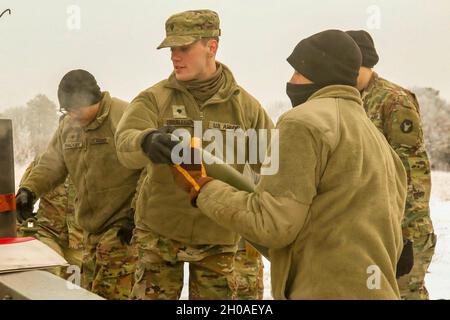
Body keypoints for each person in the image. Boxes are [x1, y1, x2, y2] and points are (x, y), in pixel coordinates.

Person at [171, 29, 408, 299]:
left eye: (297, 72)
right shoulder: (378, 140)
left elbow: (273, 225)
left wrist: (203, 188)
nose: (291, 81)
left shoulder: (303, 122)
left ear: (320, 73)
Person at [115, 9, 273, 299]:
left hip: (220, 235)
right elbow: (124, 143)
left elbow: (274, 165)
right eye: (172, 49)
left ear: (211, 47)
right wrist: (145, 141)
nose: (175, 56)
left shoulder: (246, 108)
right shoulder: (154, 99)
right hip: (160, 234)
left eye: (184, 48)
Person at [16, 69, 140, 299]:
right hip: (90, 232)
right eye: (66, 109)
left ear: (93, 99)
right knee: (90, 293)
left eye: (75, 108)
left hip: (122, 229)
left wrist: (135, 214)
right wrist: (29, 190)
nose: (71, 114)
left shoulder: (125, 117)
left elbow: (149, 170)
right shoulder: (69, 126)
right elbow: (51, 164)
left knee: (111, 294)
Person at [346, 30, 437, 300]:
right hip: (373, 229)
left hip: (404, 229)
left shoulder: (394, 101)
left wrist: (404, 234)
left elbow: (412, 173)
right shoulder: (353, 99)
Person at [18, 157, 83, 280]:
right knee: (50, 271)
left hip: (80, 240)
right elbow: (24, 196)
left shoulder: (92, 159)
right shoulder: (45, 160)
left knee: (78, 286)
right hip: (47, 233)